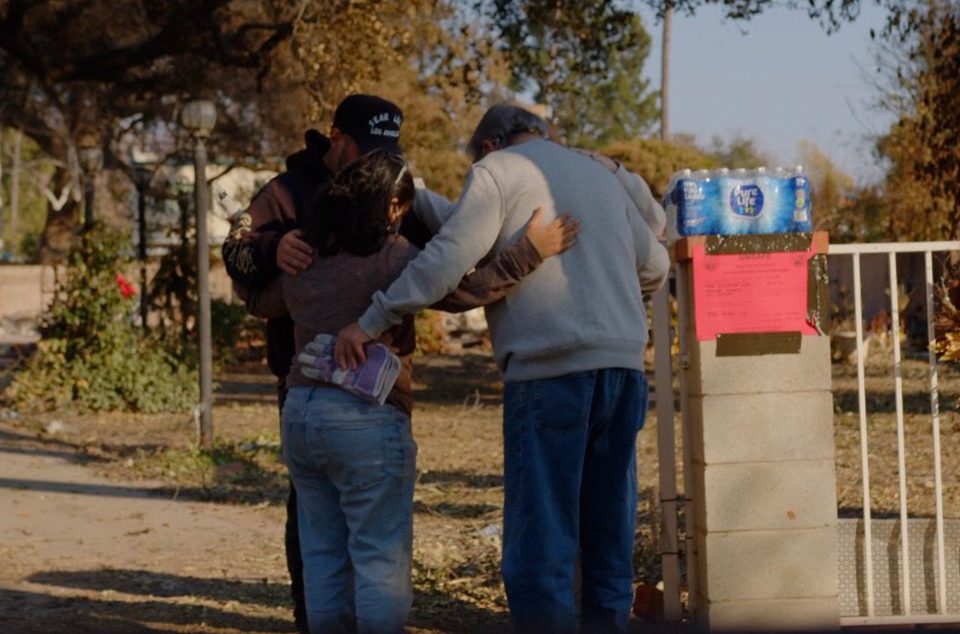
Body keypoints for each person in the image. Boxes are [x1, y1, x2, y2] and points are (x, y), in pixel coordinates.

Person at [334, 104, 670, 633]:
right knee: (609, 532)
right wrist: (617, 304)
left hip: (549, 372)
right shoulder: (595, 174)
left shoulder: (498, 173)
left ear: (488, 147)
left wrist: (374, 317)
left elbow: (449, 255)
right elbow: (656, 264)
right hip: (623, 369)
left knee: (543, 540)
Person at [245, 149, 577, 633]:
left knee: (321, 556)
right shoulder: (394, 257)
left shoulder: (305, 254)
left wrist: (261, 247)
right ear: (394, 206)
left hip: (301, 412)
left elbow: (259, 300)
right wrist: (529, 251)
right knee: (379, 557)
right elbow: (463, 291)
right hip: (368, 419)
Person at [222, 94, 418, 632]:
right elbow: (234, 249)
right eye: (364, 149)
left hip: (341, 398)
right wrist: (270, 248)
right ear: (336, 138)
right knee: (328, 538)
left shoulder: (390, 189)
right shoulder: (284, 193)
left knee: (329, 539)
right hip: (312, 382)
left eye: (384, 152)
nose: (372, 163)